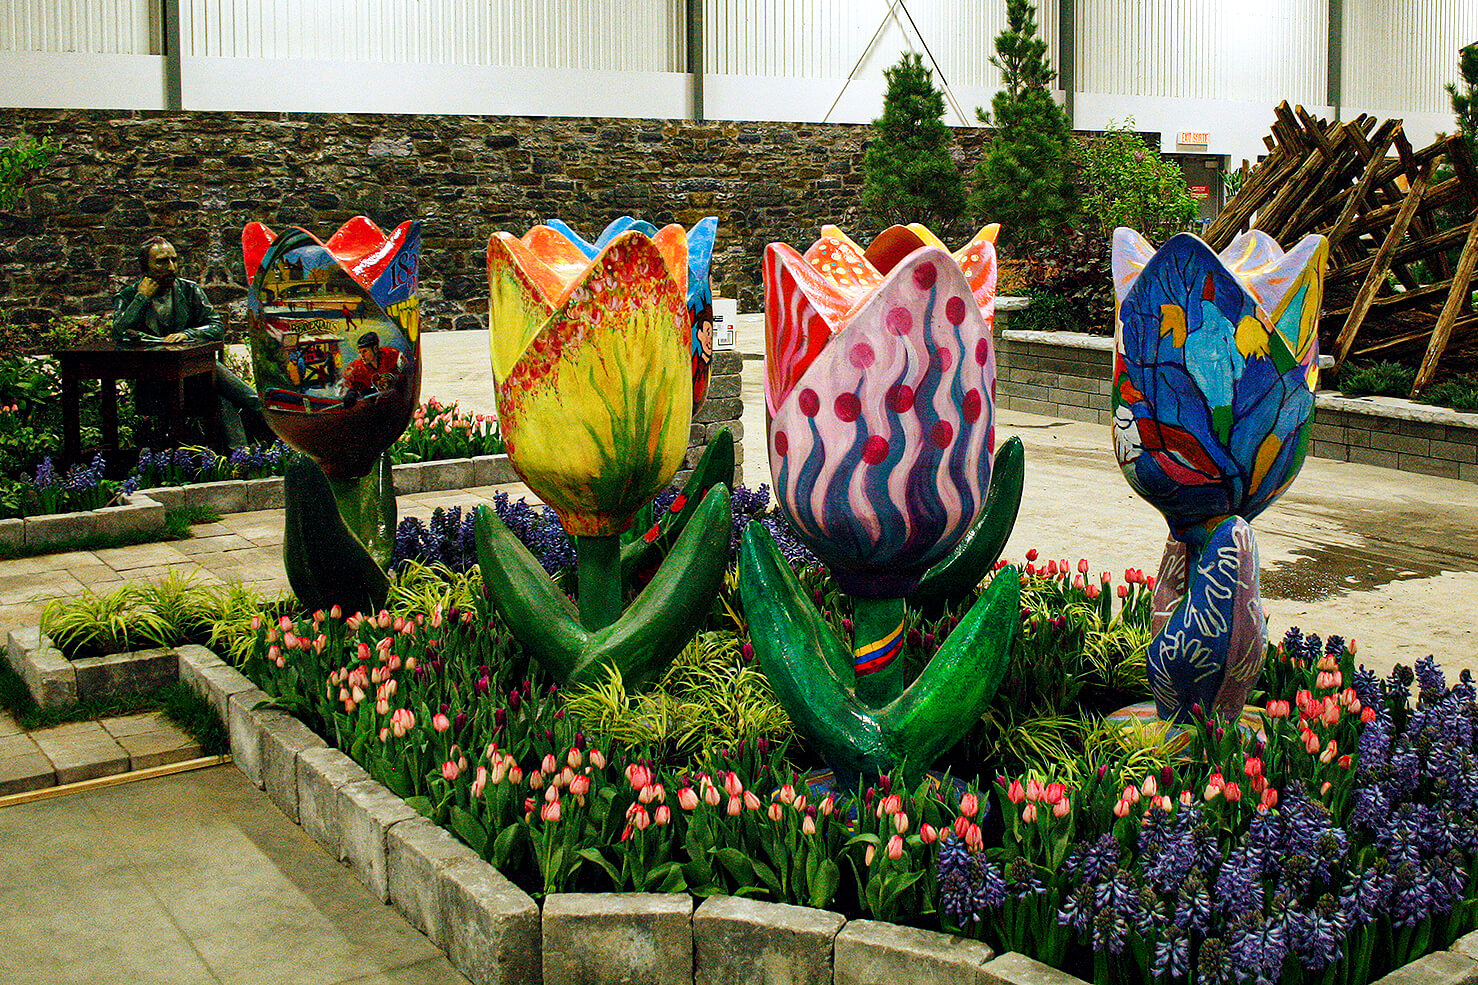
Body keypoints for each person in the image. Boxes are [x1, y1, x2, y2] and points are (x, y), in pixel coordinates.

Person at [113, 236, 263, 448]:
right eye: (162, 262)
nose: (171, 267)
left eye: (174, 260)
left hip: (195, 375)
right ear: (145, 266)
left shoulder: (189, 290)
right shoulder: (128, 297)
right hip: (155, 382)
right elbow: (120, 333)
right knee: (223, 392)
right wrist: (141, 299)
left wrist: (188, 334)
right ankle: (261, 427)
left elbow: (216, 326)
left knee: (221, 393)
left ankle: (244, 452)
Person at [342, 331, 402, 403]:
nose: (362, 356)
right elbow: (348, 385)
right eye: (360, 352)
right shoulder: (357, 367)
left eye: (365, 351)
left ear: (375, 349)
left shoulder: (392, 355)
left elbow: (407, 371)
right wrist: (351, 393)